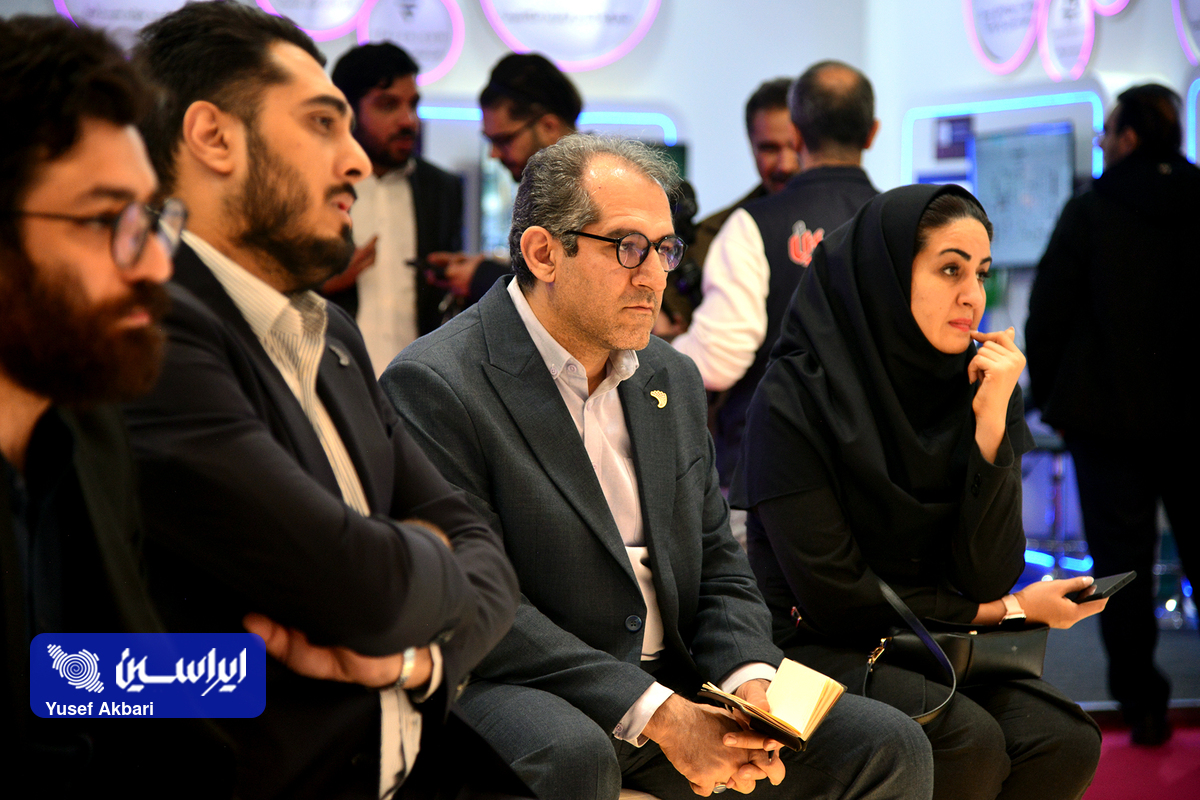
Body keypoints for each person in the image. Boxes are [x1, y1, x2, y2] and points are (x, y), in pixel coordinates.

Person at [381, 134, 934, 800]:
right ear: (543, 253)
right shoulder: (436, 382)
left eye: (666, 249)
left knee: (887, 744)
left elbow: (718, 562)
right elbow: (475, 602)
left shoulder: (670, 374)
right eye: (627, 247)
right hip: (526, 682)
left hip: (680, 673)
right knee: (574, 754)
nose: (654, 276)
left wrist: (750, 680)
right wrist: (662, 715)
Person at [123, 3, 521, 797]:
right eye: (321, 123)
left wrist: (411, 659)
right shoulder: (154, 329)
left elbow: (486, 553)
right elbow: (364, 587)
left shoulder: (329, 332)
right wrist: (427, 559)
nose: (357, 162)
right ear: (213, 137)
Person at [732, 184, 1105, 800]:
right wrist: (1011, 611)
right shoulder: (794, 397)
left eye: (981, 272)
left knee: (1061, 738)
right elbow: (836, 599)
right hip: (810, 649)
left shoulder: (978, 385)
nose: (973, 295)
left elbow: (987, 572)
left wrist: (992, 428)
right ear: (883, 277)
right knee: (964, 741)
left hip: (929, 642)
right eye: (950, 269)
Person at [0, 14, 230, 791]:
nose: (153, 267)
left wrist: (242, 676)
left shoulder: (87, 428)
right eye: (104, 221)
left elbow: (72, 674)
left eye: (151, 221)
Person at [1026, 83, 1200, 746]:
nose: (1101, 140)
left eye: (1108, 130)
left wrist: (1055, 402)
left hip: (1107, 426)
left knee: (1119, 572)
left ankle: (1142, 708)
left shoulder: (1091, 210)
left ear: (1128, 137)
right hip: (1194, 424)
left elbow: (1048, 315)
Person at [674, 60, 880, 485]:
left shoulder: (750, 226)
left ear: (799, 135)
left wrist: (655, 348)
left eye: (788, 144)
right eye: (768, 148)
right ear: (872, 133)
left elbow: (717, 360)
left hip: (768, 470)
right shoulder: (907, 224)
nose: (783, 162)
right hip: (876, 471)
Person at [320, 42, 467, 375]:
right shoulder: (314, 184)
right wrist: (323, 283)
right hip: (330, 380)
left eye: (413, 104)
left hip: (418, 385)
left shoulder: (442, 189)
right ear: (347, 109)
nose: (408, 120)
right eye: (388, 105)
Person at [688, 77, 801, 275]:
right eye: (769, 149)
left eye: (795, 147)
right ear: (751, 147)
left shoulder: (853, 224)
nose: (785, 165)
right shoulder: (711, 238)